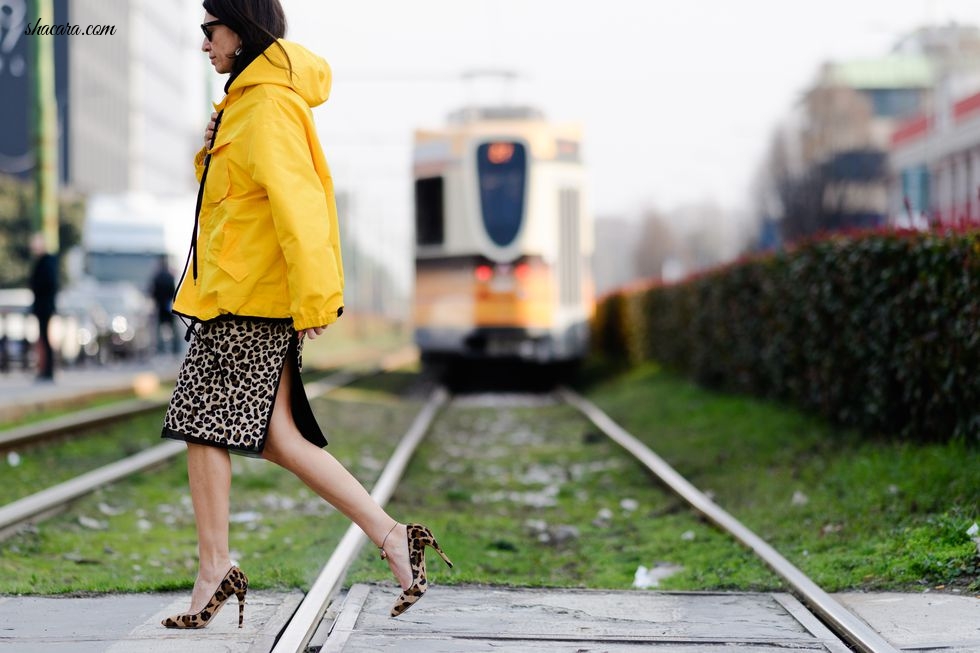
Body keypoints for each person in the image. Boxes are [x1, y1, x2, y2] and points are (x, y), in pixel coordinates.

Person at [159, 0, 452, 630]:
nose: (204, 43)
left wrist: (316, 297)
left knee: (207, 422)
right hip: (235, 295)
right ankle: (392, 538)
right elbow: (236, 202)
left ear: (240, 29)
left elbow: (302, 205)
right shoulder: (245, 101)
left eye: (210, 30)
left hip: (251, 301)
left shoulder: (266, 106)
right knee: (271, 436)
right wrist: (205, 154)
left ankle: (217, 566)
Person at [29, 232, 58, 381]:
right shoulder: (45, 261)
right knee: (43, 337)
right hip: (42, 305)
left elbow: (47, 284)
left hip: (44, 306)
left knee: (45, 338)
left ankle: (47, 370)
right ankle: (44, 370)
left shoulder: (46, 262)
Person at [148, 255, 178, 355]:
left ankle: (160, 350)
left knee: (158, 330)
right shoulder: (170, 276)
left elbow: (152, 292)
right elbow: (173, 291)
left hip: (160, 306)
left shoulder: (157, 276)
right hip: (169, 306)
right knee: (174, 330)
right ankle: (175, 349)